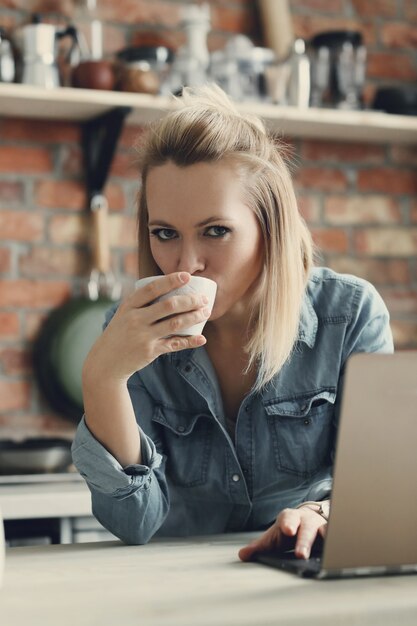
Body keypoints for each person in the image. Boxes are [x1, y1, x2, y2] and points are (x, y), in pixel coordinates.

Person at [72, 84, 393, 561]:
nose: (186, 263)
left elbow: (380, 497)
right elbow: (134, 522)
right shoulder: (131, 336)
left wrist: (324, 514)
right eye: (165, 234)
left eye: (216, 231)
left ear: (271, 228)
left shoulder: (348, 317)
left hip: (301, 576)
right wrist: (102, 378)